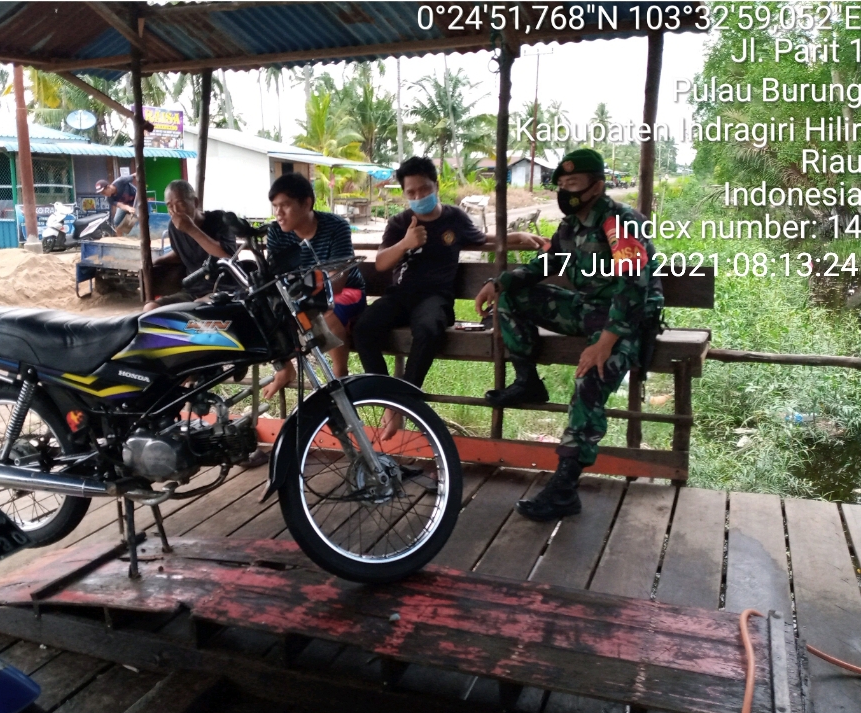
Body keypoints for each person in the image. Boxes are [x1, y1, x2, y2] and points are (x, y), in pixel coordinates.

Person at [474, 148, 664, 521]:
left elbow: (633, 287)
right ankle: (528, 382)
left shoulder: (620, 222)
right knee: (513, 296)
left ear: (597, 186)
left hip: (627, 319)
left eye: (573, 183)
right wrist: (499, 282)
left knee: (589, 379)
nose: (565, 191)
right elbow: (547, 262)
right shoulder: (571, 226)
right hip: (588, 308)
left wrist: (605, 343)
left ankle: (564, 488)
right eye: (561, 183)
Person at [353, 156, 546, 441]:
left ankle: (403, 402)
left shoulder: (454, 218)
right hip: (400, 295)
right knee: (363, 328)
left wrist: (516, 236)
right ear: (404, 194)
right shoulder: (400, 222)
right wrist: (406, 243)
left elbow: (482, 239)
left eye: (424, 189)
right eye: (411, 192)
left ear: (436, 186)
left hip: (435, 297)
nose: (418, 197)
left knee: (428, 329)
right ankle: (389, 398)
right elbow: (381, 263)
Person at [261, 173, 365, 401]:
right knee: (263, 311)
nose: (278, 213)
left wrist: (308, 295)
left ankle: (339, 376)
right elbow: (276, 275)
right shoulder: (276, 232)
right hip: (299, 295)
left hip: (346, 291)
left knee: (324, 311)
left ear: (307, 203)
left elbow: (338, 280)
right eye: (275, 206)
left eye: (285, 205)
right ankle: (284, 368)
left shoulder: (335, 226)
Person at [144, 180, 238, 311]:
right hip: (193, 291)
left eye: (180, 204)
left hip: (223, 289)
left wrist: (191, 229)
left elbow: (227, 256)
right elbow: (180, 252)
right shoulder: (174, 228)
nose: (175, 210)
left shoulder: (219, 219)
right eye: (169, 206)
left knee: (199, 307)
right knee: (150, 308)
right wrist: (159, 261)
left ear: (195, 202)